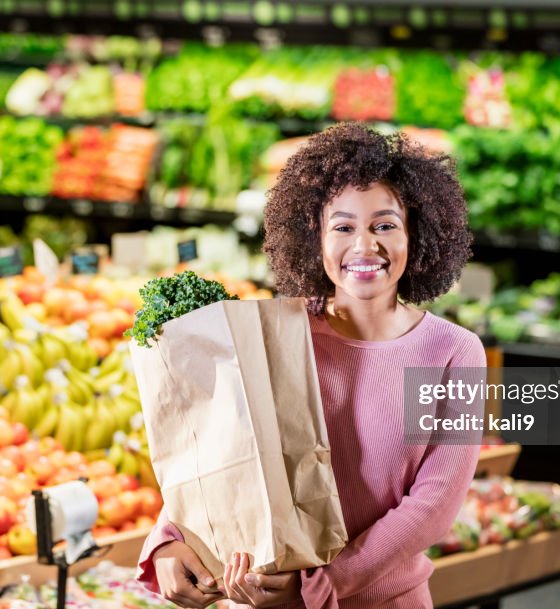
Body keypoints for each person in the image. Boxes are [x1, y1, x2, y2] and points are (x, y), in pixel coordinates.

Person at [136, 123, 485, 608]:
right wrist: (169, 538)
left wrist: (321, 586)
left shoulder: (456, 353)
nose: (364, 246)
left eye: (384, 225)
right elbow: (217, 446)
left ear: (418, 233)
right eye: (342, 227)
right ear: (314, 238)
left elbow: (434, 506)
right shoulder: (279, 333)